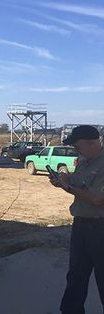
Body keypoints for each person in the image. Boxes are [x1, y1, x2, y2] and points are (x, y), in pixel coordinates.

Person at [50, 125, 104, 313]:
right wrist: (64, 178)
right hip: (81, 226)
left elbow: (97, 199)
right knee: (76, 276)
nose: (76, 150)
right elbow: (78, 181)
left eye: (78, 146)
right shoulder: (83, 160)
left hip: (100, 229)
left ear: (92, 143)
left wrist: (67, 188)